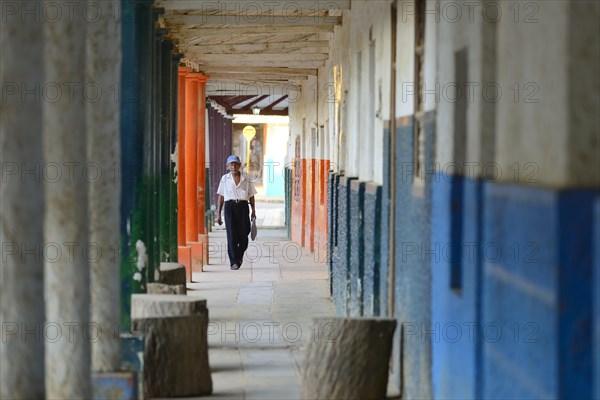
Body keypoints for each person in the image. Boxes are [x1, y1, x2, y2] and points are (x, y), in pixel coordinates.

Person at [216, 155, 257, 270]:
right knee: (231, 236)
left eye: (235, 164)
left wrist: (253, 211)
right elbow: (221, 196)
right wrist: (218, 214)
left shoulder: (246, 179)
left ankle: (239, 255)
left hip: (243, 207)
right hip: (230, 207)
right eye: (231, 164)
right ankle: (234, 262)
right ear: (228, 166)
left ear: (239, 165)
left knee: (244, 234)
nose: (233, 166)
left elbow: (251, 196)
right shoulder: (224, 179)